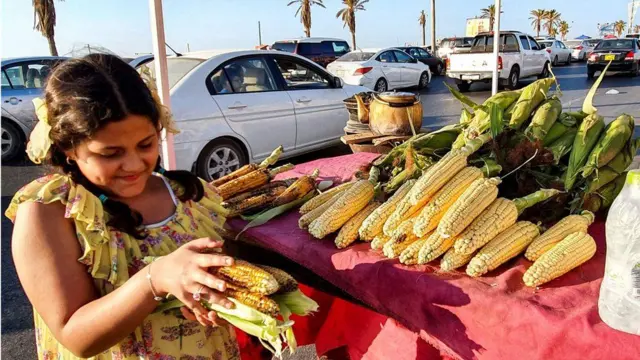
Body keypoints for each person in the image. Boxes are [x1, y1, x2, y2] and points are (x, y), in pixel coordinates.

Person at [6, 54, 241, 359]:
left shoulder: (186, 195)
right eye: (110, 153)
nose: (133, 165)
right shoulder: (49, 211)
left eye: (146, 145)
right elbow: (74, 335)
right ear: (69, 149)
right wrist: (154, 279)